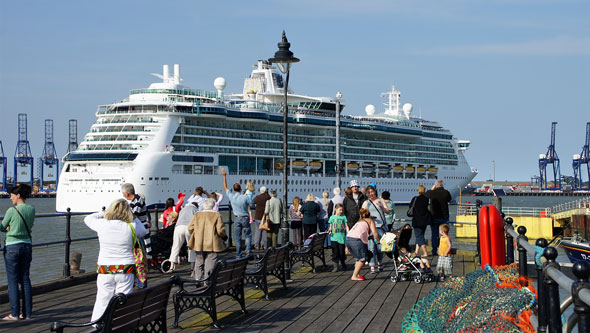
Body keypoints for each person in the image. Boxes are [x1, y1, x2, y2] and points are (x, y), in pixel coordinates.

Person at [84, 198, 148, 322]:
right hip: (126, 269)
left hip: (105, 269)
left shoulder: (102, 224)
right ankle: (119, 324)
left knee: (102, 299)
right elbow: (144, 230)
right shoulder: (132, 226)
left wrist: (104, 213)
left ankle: (97, 325)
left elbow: (88, 218)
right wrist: (134, 217)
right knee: (122, 300)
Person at [1, 184, 35, 321]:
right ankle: (27, 313)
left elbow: (2, 227)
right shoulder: (32, 209)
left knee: (13, 280)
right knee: (25, 279)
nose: (10, 198)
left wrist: (8, 228)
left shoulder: (11, 210)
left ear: (18, 196)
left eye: (12, 195)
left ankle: (14, 314)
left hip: (12, 247)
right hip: (27, 245)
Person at [187, 198, 228, 280]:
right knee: (210, 262)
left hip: (199, 242)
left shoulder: (197, 214)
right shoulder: (216, 215)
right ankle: (207, 281)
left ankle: (197, 279)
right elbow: (220, 230)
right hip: (212, 243)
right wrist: (223, 236)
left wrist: (197, 234)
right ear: (213, 206)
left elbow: (190, 228)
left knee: (199, 261)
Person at [121, 183, 150, 288]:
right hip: (137, 231)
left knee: (139, 257)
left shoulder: (138, 200)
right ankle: (138, 281)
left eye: (123, 193)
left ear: (127, 193)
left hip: (139, 231)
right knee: (137, 257)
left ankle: (141, 283)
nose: (123, 195)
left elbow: (134, 215)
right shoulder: (135, 200)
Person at [221, 168, 254, 258]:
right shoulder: (245, 197)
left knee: (238, 237)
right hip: (245, 218)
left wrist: (224, 176)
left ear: (234, 189)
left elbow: (225, 187)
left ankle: (238, 255)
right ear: (240, 189)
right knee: (248, 235)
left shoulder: (231, 196)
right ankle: (247, 251)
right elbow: (252, 204)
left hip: (237, 218)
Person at [345, 208, 380, 281]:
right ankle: (354, 276)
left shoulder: (359, 221)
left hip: (348, 239)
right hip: (357, 240)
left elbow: (360, 232)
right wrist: (378, 241)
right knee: (363, 259)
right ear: (369, 215)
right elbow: (375, 232)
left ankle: (357, 274)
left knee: (358, 258)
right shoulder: (370, 220)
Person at [361, 185, 390, 273]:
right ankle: (372, 266)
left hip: (381, 227)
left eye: (372, 192)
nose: (371, 194)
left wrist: (381, 207)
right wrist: (367, 216)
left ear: (375, 191)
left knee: (380, 247)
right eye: (369, 192)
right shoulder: (366, 203)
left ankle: (380, 263)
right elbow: (362, 214)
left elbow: (388, 211)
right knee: (371, 247)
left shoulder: (380, 200)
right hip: (371, 228)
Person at [425, 179, 452, 256]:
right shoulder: (446, 192)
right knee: (445, 234)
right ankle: (445, 249)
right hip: (444, 216)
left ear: (435, 185)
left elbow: (425, 195)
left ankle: (434, 250)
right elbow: (449, 199)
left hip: (434, 216)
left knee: (434, 234)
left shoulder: (432, 193)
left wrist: (432, 189)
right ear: (442, 185)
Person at [169, 201, 198, 269]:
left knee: (175, 246)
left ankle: (171, 266)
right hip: (189, 227)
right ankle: (192, 266)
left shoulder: (183, 209)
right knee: (191, 247)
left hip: (178, 227)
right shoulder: (195, 210)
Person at [409, 185, 432, 258]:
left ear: (418, 190)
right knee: (420, 235)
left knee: (419, 236)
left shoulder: (415, 198)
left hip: (417, 220)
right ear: (424, 190)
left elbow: (410, 207)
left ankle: (425, 252)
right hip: (424, 220)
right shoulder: (426, 199)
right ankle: (416, 252)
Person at [328, 204, 348, 272]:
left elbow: (346, 226)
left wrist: (349, 233)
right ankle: (336, 266)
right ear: (336, 210)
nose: (341, 211)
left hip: (341, 237)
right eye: (340, 210)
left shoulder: (343, 217)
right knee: (335, 252)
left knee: (342, 252)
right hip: (334, 237)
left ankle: (343, 263)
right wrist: (330, 230)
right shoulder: (332, 217)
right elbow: (330, 226)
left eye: (342, 210)